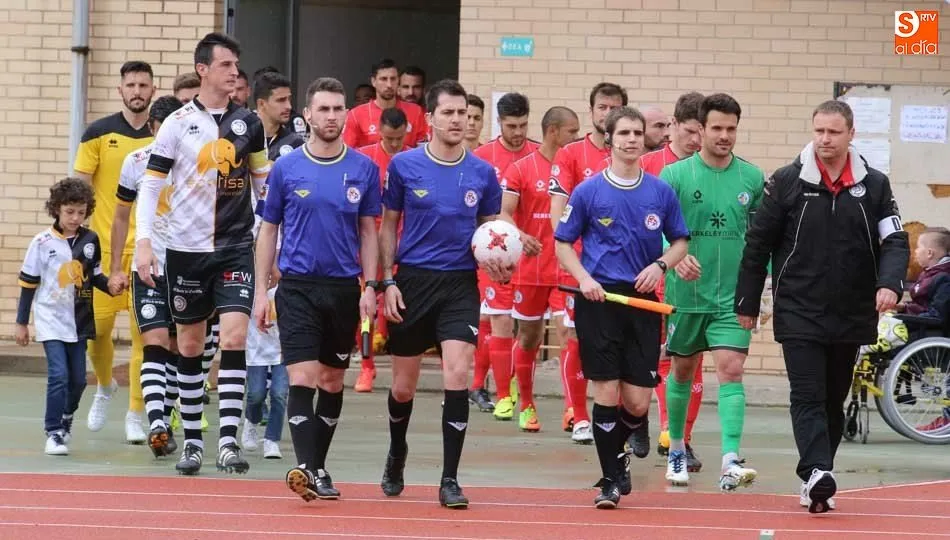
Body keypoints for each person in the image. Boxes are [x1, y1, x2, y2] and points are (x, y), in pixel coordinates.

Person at [734, 99, 909, 513]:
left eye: (833, 132)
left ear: (851, 135)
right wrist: (747, 298)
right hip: (798, 306)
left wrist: (889, 284)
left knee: (834, 396)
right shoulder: (788, 180)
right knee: (808, 392)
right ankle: (816, 470)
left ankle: (817, 477)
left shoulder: (876, 185)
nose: (824, 140)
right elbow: (758, 244)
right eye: (819, 131)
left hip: (851, 308)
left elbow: (895, 241)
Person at [135, 32, 271, 476]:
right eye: (227, 65)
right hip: (186, 252)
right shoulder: (176, 123)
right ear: (203, 70)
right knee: (190, 347)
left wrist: (274, 246)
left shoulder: (249, 123)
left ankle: (228, 443)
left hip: (235, 249)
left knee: (233, 339)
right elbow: (152, 184)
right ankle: (193, 443)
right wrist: (144, 241)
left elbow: (262, 184)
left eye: (236, 65)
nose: (235, 72)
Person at [379, 79, 507, 509]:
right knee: (402, 387)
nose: (459, 121)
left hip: (459, 285)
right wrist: (387, 281)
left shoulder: (483, 174)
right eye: (449, 113)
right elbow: (387, 226)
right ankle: (397, 452)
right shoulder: (404, 166)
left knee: (458, 373)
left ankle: (449, 478)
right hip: (412, 282)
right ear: (430, 118)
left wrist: (501, 265)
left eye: (466, 115)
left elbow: (492, 234)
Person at [554, 107, 689, 508]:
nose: (631, 139)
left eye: (637, 133)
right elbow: (563, 243)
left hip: (643, 301)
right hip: (599, 300)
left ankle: (619, 452)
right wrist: (584, 279)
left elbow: (680, 241)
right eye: (623, 133)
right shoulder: (588, 191)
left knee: (637, 402)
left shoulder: (660, 191)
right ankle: (610, 480)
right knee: (607, 394)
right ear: (609, 139)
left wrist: (660, 264)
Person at [254, 76, 380, 500]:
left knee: (330, 381)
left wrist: (370, 286)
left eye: (337, 108)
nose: (331, 116)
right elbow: (269, 230)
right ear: (307, 115)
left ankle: (319, 467)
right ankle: (306, 469)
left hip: (344, 289)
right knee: (302, 377)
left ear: (346, 113)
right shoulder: (287, 167)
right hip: (298, 288)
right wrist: (260, 292)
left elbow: (368, 232)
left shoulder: (363, 168)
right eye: (322, 109)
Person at [660, 93, 764, 492]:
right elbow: (654, 231)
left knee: (731, 369)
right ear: (699, 129)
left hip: (732, 296)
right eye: (717, 128)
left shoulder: (752, 179)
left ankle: (730, 459)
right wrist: (672, 259)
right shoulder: (674, 177)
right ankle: (677, 449)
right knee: (683, 370)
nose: (724, 136)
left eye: (731, 128)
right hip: (685, 295)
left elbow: (762, 240)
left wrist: (760, 288)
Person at [72, 60, 155, 443]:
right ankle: (105, 386)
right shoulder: (98, 133)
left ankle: (137, 413)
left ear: (152, 90)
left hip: (149, 252)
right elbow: (79, 190)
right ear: (120, 90)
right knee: (97, 333)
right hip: (105, 253)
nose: (137, 91)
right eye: (131, 84)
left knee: (145, 336)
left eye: (143, 84)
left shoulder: (163, 136)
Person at [548, 82, 627, 444]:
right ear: (592, 111)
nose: (607, 114)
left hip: (623, 268)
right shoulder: (570, 155)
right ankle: (578, 415)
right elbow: (557, 212)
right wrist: (572, 260)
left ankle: (618, 415)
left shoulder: (630, 155)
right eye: (602, 107)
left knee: (618, 343)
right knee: (577, 336)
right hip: (581, 265)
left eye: (615, 107)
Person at [109, 95, 184, 458]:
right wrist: (116, 265)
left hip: (189, 267)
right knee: (153, 341)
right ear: (154, 127)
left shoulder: (195, 162)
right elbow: (121, 214)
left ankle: (167, 418)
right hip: (149, 265)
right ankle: (156, 422)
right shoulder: (135, 162)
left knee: (177, 347)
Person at [16, 179, 114, 455]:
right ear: (57, 209)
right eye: (69, 211)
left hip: (80, 319)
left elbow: (94, 277)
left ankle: (67, 417)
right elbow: (28, 283)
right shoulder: (41, 242)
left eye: (81, 212)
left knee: (80, 380)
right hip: (50, 318)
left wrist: (113, 285)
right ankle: (54, 432)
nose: (75, 218)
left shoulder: (90, 240)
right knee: (58, 375)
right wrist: (22, 322)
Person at [499, 106, 579, 432]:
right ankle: (527, 404)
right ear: (553, 132)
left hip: (564, 268)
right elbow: (503, 213)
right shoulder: (521, 168)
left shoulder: (574, 167)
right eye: (572, 131)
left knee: (568, 334)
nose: (576, 137)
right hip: (530, 269)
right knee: (529, 337)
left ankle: (572, 409)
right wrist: (520, 234)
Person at [640, 91, 706, 470]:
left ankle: (679, 437)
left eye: (703, 131)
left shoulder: (712, 167)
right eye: (690, 131)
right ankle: (633, 422)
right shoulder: (649, 165)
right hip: (649, 274)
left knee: (688, 361)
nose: (697, 140)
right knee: (641, 357)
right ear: (674, 127)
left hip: (695, 280)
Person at [473, 92, 540, 420]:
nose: (518, 131)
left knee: (528, 330)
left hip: (533, 257)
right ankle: (502, 396)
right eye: (512, 125)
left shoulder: (539, 154)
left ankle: (515, 380)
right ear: (499, 122)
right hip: (495, 255)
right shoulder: (483, 157)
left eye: (523, 124)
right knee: (498, 319)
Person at [355, 107, 411, 393]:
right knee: (366, 307)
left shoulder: (413, 159)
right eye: (389, 138)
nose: (394, 144)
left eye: (399, 138)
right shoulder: (364, 159)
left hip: (405, 240)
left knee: (399, 304)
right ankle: (367, 368)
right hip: (369, 240)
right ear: (379, 131)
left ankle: (399, 369)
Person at [343, 59, 427, 148]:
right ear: (373, 81)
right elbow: (348, 152)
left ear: (398, 81)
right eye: (383, 79)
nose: (389, 85)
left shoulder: (415, 111)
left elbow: (422, 150)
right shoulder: (355, 115)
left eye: (393, 79)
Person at [253, 66, 308, 137]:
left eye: (289, 99)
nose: (289, 107)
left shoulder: (295, 143)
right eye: (281, 100)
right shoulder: (243, 138)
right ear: (261, 104)